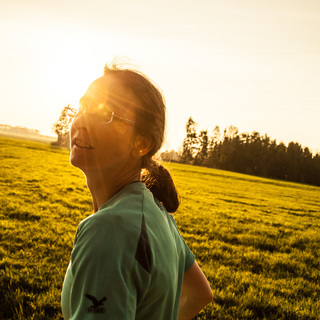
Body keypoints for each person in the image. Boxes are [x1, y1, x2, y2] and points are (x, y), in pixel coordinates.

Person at [61, 60, 213, 320]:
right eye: (83, 107)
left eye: (104, 113)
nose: (81, 121)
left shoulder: (109, 229)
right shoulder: (159, 215)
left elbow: (200, 294)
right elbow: (200, 293)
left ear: (141, 144)